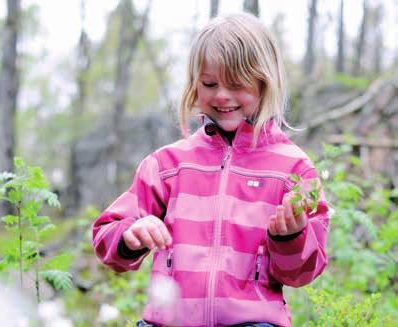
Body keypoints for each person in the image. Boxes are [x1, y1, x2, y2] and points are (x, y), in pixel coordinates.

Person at [92, 12, 330, 327]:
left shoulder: (294, 169)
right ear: (194, 84)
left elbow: (301, 273)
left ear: (264, 82)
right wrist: (130, 236)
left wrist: (291, 237)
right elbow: (105, 237)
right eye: (209, 83)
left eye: (236, 84)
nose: (221, 95)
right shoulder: (168, 166)